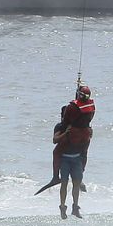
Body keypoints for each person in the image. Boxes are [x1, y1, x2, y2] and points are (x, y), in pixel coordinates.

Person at [42, 83, 95, 217]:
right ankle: (62, 206)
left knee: (76, 184)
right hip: (65, 158)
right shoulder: (60, 126)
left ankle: (75, 207)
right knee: (64, 183)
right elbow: (55, 140)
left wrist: (87, 132)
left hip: (76, 158)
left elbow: (86, 122)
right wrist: (65, 133)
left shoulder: (83, 123)